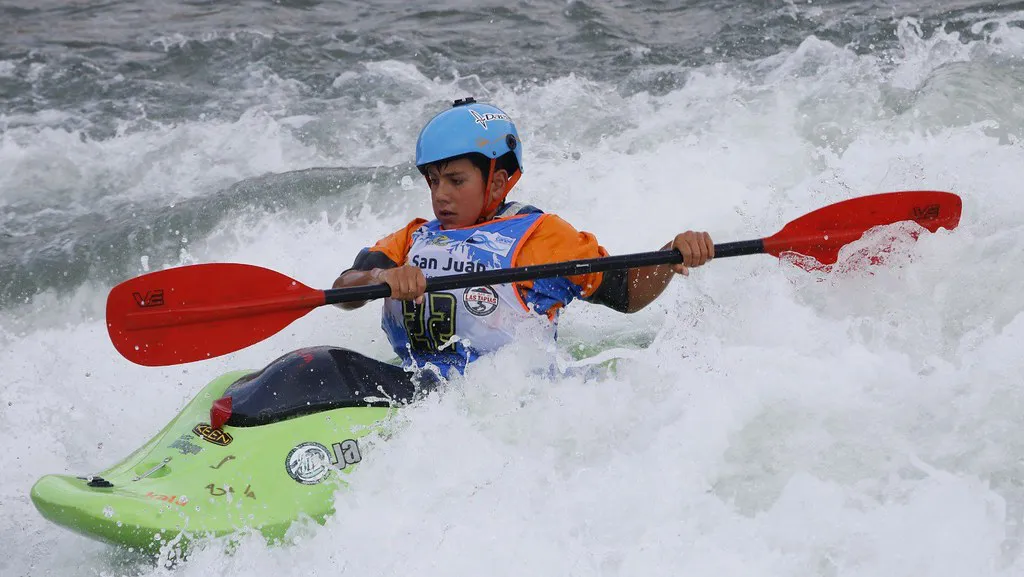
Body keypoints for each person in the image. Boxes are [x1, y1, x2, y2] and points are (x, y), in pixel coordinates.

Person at [332, 97, 713, 386]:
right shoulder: (412, 239)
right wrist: (380, 279)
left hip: (511, 403)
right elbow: (346, 289)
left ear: (496, 182)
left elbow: (626, 294)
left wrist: (669, 255)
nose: (440, 194)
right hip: (420, 394)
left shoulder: (541, 236)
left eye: (456, 180)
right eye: (434, 180)